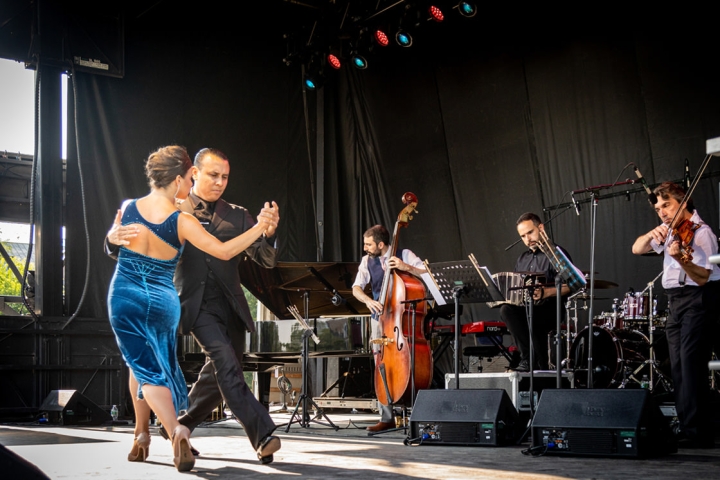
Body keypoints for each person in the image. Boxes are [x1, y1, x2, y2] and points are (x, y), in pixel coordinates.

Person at [105, 146, 277, 471]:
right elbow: (126, 248)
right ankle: (262, 434)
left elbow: (265, 259)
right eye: (214, 174)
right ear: (192, 174)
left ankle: (170, 426)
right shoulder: (176, 212)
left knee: (218, 374)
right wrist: (112, 240)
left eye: (225, 176)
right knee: (224, 363)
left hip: (227, 306)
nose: (220, 182)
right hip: (192, 305)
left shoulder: (237, 214)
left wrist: (267, 232)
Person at [632, 181, 720, 448]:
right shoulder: (670, 231)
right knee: (678, 367)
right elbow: (637, 248)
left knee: (691, 365)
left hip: (698, 300)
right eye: (658, 208)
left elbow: (703, 276)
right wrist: (652, 233)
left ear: (683, 201)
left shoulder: (701, 232)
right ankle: (687, 427)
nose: (662, 211)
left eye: (666, 205)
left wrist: (681, 259)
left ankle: (699, 431)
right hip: (675, 302)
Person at [351, 224, 426, 433]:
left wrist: (406, 267)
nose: (365, 248)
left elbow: (427, 273)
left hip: (403, 319)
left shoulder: (405, 254)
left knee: (410, 362)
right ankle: (386, 416)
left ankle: (417, 412)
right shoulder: (367, 261)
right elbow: (356, 288)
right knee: (380, 365)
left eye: (368, 244)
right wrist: (367, 301)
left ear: (381, 244)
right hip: (380, 320)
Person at [500, 212, 571, 372]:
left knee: (527, 315)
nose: (527, 239)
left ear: (541, 228)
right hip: (526, 307)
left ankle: (530, 361)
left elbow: (571, 285)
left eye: (530, 233)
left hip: (549, 310)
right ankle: (528, 359)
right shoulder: (522, 258)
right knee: (506, 309)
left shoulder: (557, 253)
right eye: (523, 236)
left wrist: (546, 293)